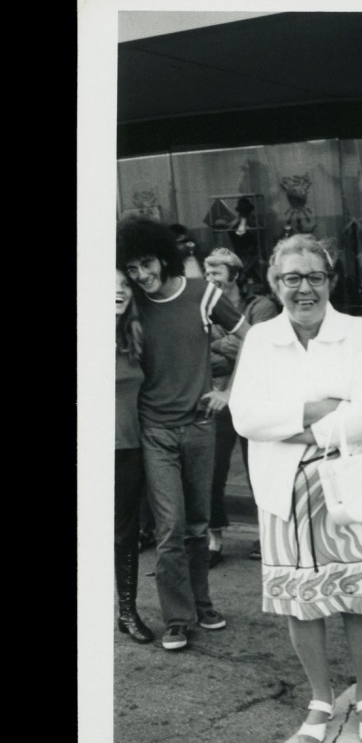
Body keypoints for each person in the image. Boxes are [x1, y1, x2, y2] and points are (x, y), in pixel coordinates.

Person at [229, 234, 362, 743]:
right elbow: (245, 417)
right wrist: (320, 410)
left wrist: (293, 423)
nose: (305, 289)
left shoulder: (357, 332)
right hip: (283, 490)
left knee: (359, 599)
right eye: (292, 278)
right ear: (276, 284)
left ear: (331, 281)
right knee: (303, 604)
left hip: (349, 482)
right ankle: (320, 697)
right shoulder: (260, 338)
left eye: (315, 277)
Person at [116, 216, 248, 652]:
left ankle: (201, 603)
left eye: (146, 263)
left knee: (197, 524)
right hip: (154, 431)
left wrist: (228, 391)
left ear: (164, 257)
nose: (141, 275)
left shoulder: (202, 293)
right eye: (131, 269)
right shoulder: (131, 303)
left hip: (199, 427)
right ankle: (176, 618)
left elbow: (252, 337)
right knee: (171, 528)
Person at [200, 248, 278, 567]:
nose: (210, 280)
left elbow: (261, 348)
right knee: (211, 471)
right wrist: (236, 346)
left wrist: (223, 347)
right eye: (207, 274)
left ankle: (268, 535)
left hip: (254, 398)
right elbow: (201, 352)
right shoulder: (203, 307)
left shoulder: (261, 306)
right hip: (218, 397)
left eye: (216, 273)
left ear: (235, 274)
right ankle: (214, 538)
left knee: (259, 470)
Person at [115, 269, 153, 643]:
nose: (119, 291)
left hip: (128, 450)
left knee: (124, 535)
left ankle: (127, 612)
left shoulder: (132, 336)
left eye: (125, 284)